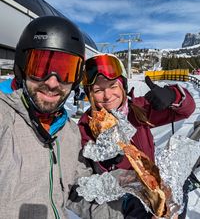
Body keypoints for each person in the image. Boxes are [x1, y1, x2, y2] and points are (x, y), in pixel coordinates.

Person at [0, 17, 124, 219]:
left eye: (65, 71)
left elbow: (77, 191)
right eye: (40, 68)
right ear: (22, 67)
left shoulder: (69, 131)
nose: (52, 82)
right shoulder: (5, 117)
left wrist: (125, 210)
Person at [78, 53, 196, 218]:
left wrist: (172, 96)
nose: (107, 95)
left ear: (123, 86)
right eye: (98, 90)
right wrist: (106, 163)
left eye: (113, 86)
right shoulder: (85, 126)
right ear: (89, 94)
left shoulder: (138, 109)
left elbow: (187, 109)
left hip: (154, 186)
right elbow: (86, 175)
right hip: (123, 202)